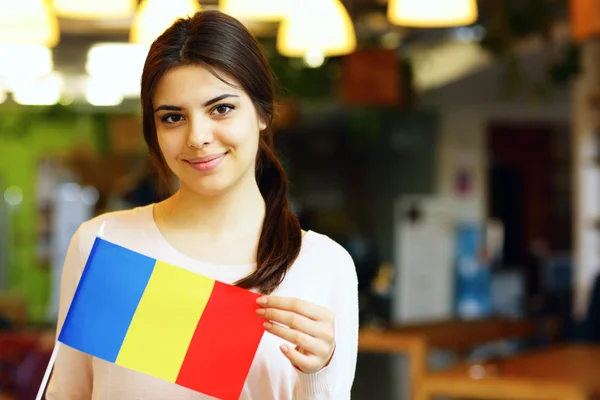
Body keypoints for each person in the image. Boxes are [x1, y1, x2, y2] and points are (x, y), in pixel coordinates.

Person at [46, 9, 359, 400]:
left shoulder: (323, 264)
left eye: (221, 108)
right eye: (173, 117)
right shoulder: (104, 243)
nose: (197, 137)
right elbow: (68, 394)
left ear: (262, 112)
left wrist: (318, 374)